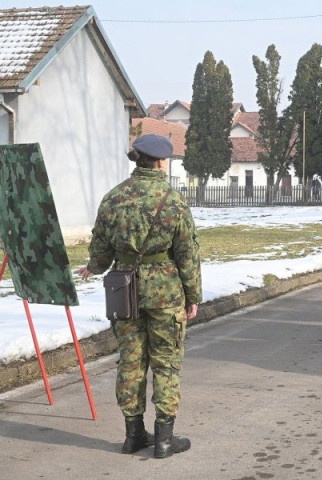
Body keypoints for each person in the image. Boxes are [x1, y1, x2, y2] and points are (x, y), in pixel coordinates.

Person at [74, 134, 200, 458]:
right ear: (160, 161)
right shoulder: (174, 201)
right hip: (165, 294)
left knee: (130, 362)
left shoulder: (113, 198)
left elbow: (101, 249)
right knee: (166, 364)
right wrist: (192, 296)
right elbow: (186, 254)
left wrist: (93, 267)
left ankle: (133, 435)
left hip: (123, 291)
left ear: (137, 159)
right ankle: (164, 439)